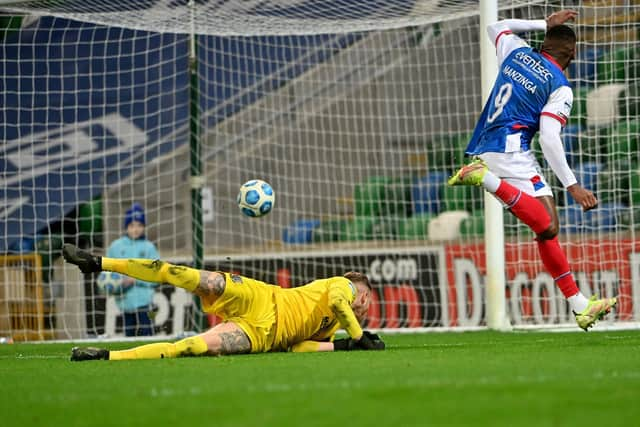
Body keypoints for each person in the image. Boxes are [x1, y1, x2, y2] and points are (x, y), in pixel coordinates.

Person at [448, 10, 616, 331]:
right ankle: (485, 178)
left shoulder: (517, 52)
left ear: (545, 42)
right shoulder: (560, 86)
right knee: (547, 223)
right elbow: (550, 138)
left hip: (491, 141)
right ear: (573, 53)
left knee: (547, 228)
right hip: (508, 150)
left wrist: (543, 24)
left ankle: (580, 306)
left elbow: (495, 26)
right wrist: (573, 185)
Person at [62, 243, 384, 361]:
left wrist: (344, 347)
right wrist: (358, 337)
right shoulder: (343, 287)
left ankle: (106, 355)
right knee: (183, 274)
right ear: (359, 287)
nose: (364, 303)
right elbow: (342, 302)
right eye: (365, 296)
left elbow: (299, 347)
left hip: (261, 336)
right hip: (261, 296)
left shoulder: (335, 326)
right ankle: (98, 263)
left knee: (191, 347)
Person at [104, 203, 159, 336]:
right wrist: (117, 282)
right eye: (132, 225)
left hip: (146, 302)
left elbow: (157, 276)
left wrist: (136, 279)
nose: (136, 229)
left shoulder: (149, 247)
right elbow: (106, 271)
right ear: (126, 226)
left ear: (144, 227)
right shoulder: (116, 247)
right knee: (129, 338)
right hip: (124, 302)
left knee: (148, 336)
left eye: (139, 225)